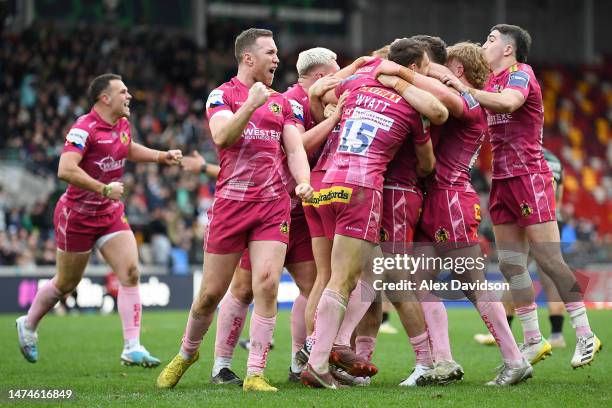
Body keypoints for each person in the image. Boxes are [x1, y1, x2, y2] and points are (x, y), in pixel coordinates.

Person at [156, 28, 313, 393]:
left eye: (277, 53)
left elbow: (294, 150)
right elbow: (222, 137)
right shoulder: (221, 95)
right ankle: (187, 352)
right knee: (211, 293)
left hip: (273, 207)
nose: (277, 59)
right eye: (270, 53)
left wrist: (303, 180)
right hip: (230, 205)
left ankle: (255, 372)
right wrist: (250, 104)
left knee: (268, 284)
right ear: (248, 58)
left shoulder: (283, 103)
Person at [180, 48, 343, 385]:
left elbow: (291, 151)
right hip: (263, 206)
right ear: (320, 77)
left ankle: (300, 363)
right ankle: (220, 364)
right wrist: (332, 120)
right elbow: (293, 147)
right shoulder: (290, 100)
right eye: (336, 74)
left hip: (295, 209)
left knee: (311, 285)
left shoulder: (292, 102)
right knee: (240, 289)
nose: (340, 80)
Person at [443, 24, 601, 368]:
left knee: (548, 259)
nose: (484, 44)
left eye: (491, 39)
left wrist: (462, 87)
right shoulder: (488, 82)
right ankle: (532, 340)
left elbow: (508, 103)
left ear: (508, 49)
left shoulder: (521, 75)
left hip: (530, 176)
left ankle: (586, 334)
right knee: (511, 263)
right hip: (500, 180)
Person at [377, 40, 532, 385]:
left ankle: (514, 359)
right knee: (417, 284)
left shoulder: (468, 100)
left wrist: (402, 74)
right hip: (433, 200)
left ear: (457, 70)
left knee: (472, 284)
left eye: (442, 65)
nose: (432, 69)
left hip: (451, 200)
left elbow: (444, 97)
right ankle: (444, 361)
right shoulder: (457, 96)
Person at [300, 39, 444, 389]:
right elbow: (433, 140)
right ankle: (318, 361)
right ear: (413, 69)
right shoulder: (411, 107)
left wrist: (361, 67)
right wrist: (401, 82)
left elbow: (318, 92)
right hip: (363, 189)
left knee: (368, 271)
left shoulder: (357, 83)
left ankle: (335, 346)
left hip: (329, 182)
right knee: (342, 280)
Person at [16, 73, 182, 367]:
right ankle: (27, 325)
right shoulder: (83, 129)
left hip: (109, 213)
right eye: (123, 92)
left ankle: (132, 346)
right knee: (66, 283)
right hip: (77, 215)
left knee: (130, 271)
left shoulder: (121, 124)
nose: (129, 96)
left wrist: (160, 156)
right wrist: (103, 187)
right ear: (105, 98)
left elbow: (126, 148)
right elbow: (65, 169)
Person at [474, 148, 568, 348]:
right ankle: (557, 334)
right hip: (551, 218)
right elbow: (559, 196)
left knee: (514, 273)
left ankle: (502, 332)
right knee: (551, 278)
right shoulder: (556, 161)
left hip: (527, 217)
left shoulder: (521, 154)